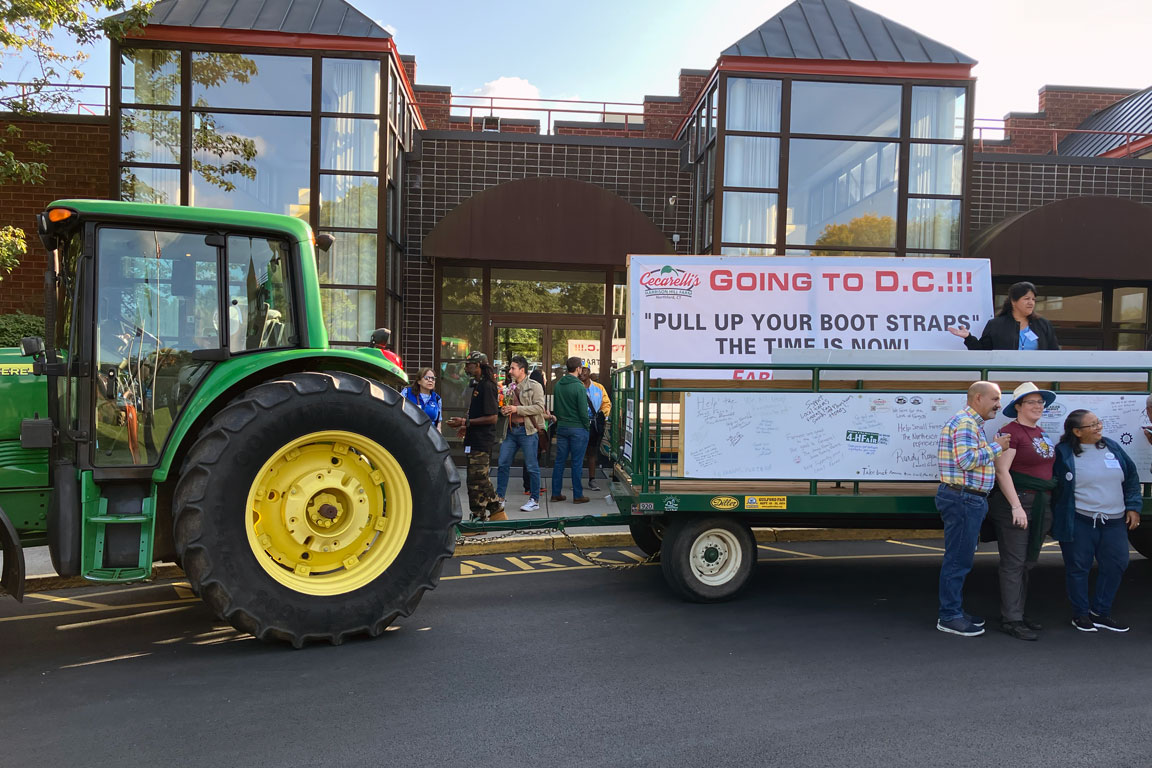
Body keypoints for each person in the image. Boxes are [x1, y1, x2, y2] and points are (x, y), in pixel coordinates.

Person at [1052, 409, 1142, 632]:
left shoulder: (1111, 446)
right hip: (1080, 520)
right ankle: (1080, 614)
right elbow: (1056, 488)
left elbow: (1131, 477)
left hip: (1114, 521)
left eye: (1098, 422)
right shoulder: (1063, 453)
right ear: (1077, 432)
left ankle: (1101, 612)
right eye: (1092, 425)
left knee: (1117, 564)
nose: (1098, 427)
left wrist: (1133, 506)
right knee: (1078, 568)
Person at [935, 381, 1010, 637]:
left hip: (965, 498)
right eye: (995, 399)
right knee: (958, 560)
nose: (999, 405)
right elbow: (966, 461)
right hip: (964, 498)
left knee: (959, 559)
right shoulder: (966, 423)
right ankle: (949, 616)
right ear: (978, 398)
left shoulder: (969, 423)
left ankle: (954, 610)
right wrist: (998, 447)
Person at [989, 382, 1057, 641]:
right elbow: (1001, 470)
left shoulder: (1040, 432)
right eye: (1031, 402)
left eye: (1040, 402)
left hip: (1040, 502)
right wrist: (1016, 507)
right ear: (1017, 407)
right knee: (1014, 562)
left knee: (1027, 561)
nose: (1038, 406)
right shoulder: (1010, 432)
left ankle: (1016, 611)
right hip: (1018, 502)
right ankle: (1012, 619)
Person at [446, 352, 506, 522]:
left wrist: (466, 422)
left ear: (478, 365)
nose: (466, 368)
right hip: (475, 439)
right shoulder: (479, 385)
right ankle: (489, 513)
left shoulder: (487, 386)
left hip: (482, 441)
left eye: (469, 364)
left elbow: (492, 417)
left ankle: (487, 512)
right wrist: (466, 425)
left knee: (477, 480)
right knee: (476, 480)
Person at [496, 355, 547, 512]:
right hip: (511, 431)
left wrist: (517, 409)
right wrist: (505, 410)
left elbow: (539, 407)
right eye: (510, 368)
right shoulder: (509, 387)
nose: (510, 371)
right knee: (502, 463)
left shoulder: (534, 386)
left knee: (532, 466)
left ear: (522, 370)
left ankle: (534, 499)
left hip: (527, 431)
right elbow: (508, 408)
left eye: (513, 368)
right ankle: (500, 498)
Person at [947, 281, 1060, 350]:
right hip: (1004, 377)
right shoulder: (996, 325)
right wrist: (968, 338)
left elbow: (1054, 353)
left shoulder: (1043, 324)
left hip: (1038, 378)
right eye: (1026, 299)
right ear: (1013, 301)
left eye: (1033, 299)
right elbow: (983, 352)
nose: (1031, 303)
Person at [550, 356, 591, 504]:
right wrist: (587, 426)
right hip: (578, 428)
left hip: (562, 427)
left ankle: (556, 493)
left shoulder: (559, 384)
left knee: (559, 462)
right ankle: (578, 495)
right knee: (577, 463)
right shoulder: (579, 386)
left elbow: (557, 408)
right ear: (578, 368)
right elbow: (583, 412)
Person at [579, 365, 611, 491]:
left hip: (594, 424)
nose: (582, 373)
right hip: (580, 424)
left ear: (589, 372)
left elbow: (606, 404)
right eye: (580, 370)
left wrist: (602, 416)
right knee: (579, 453)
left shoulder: (599, 387)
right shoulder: (576, 387)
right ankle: (577, 480)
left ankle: (592, 479)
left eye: (585, 370)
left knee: (592, 452)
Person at [400, 367, 442, 432]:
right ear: (419, 381)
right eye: (426, 378)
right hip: (409, 432)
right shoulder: (407, 392)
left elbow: (438, 422)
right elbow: (398, 411)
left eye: (433, 378)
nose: (430, 380)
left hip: (429, 435)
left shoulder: (437, 398)